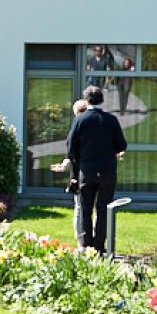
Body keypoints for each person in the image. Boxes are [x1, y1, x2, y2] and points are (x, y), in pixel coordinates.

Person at [67, 86, 127, 253]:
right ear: (102, 100)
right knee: (103, 209)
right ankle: (99, 247)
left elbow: (71, 148)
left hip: (87, 171)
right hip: (107, 171)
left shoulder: (80, 120)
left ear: (87, 101)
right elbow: (122, 145)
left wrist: (80, 161)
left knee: (85, 210)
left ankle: (87, 246)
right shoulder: (111, 120)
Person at [50, 99, 89, 249]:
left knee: (79, 209)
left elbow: (70, 153)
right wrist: (64, 164)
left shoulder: (75, 130)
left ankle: (81, 244)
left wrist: (64, 165)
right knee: (84, 208)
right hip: (83, 173)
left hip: (79, 175)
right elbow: (69, 154)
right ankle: (85, 243)